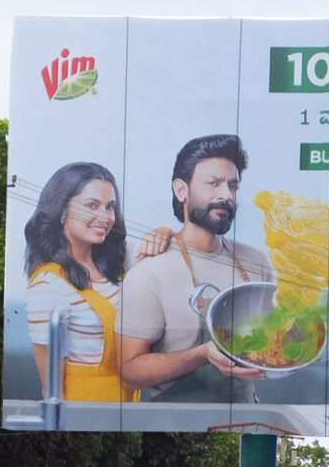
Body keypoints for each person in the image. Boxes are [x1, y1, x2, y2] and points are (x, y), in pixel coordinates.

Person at [117, 133, 276, 404]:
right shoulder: (150, 271)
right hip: (175, 427)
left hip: (248, 418)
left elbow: (276, 337)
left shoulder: (256, 261)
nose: (226, 195)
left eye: (233, 186)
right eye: (213, 183)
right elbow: (129, 373)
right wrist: (201, 354)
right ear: (181, 190)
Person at [23, 162, 140, 404]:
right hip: (84, 416)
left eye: (110, 207)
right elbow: (52, 391)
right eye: (91, 206)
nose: (105, 217)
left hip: (127, 415)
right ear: (62, 209)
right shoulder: (48, 285)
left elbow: (171, 254)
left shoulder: (119, 260)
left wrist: (162, 233)